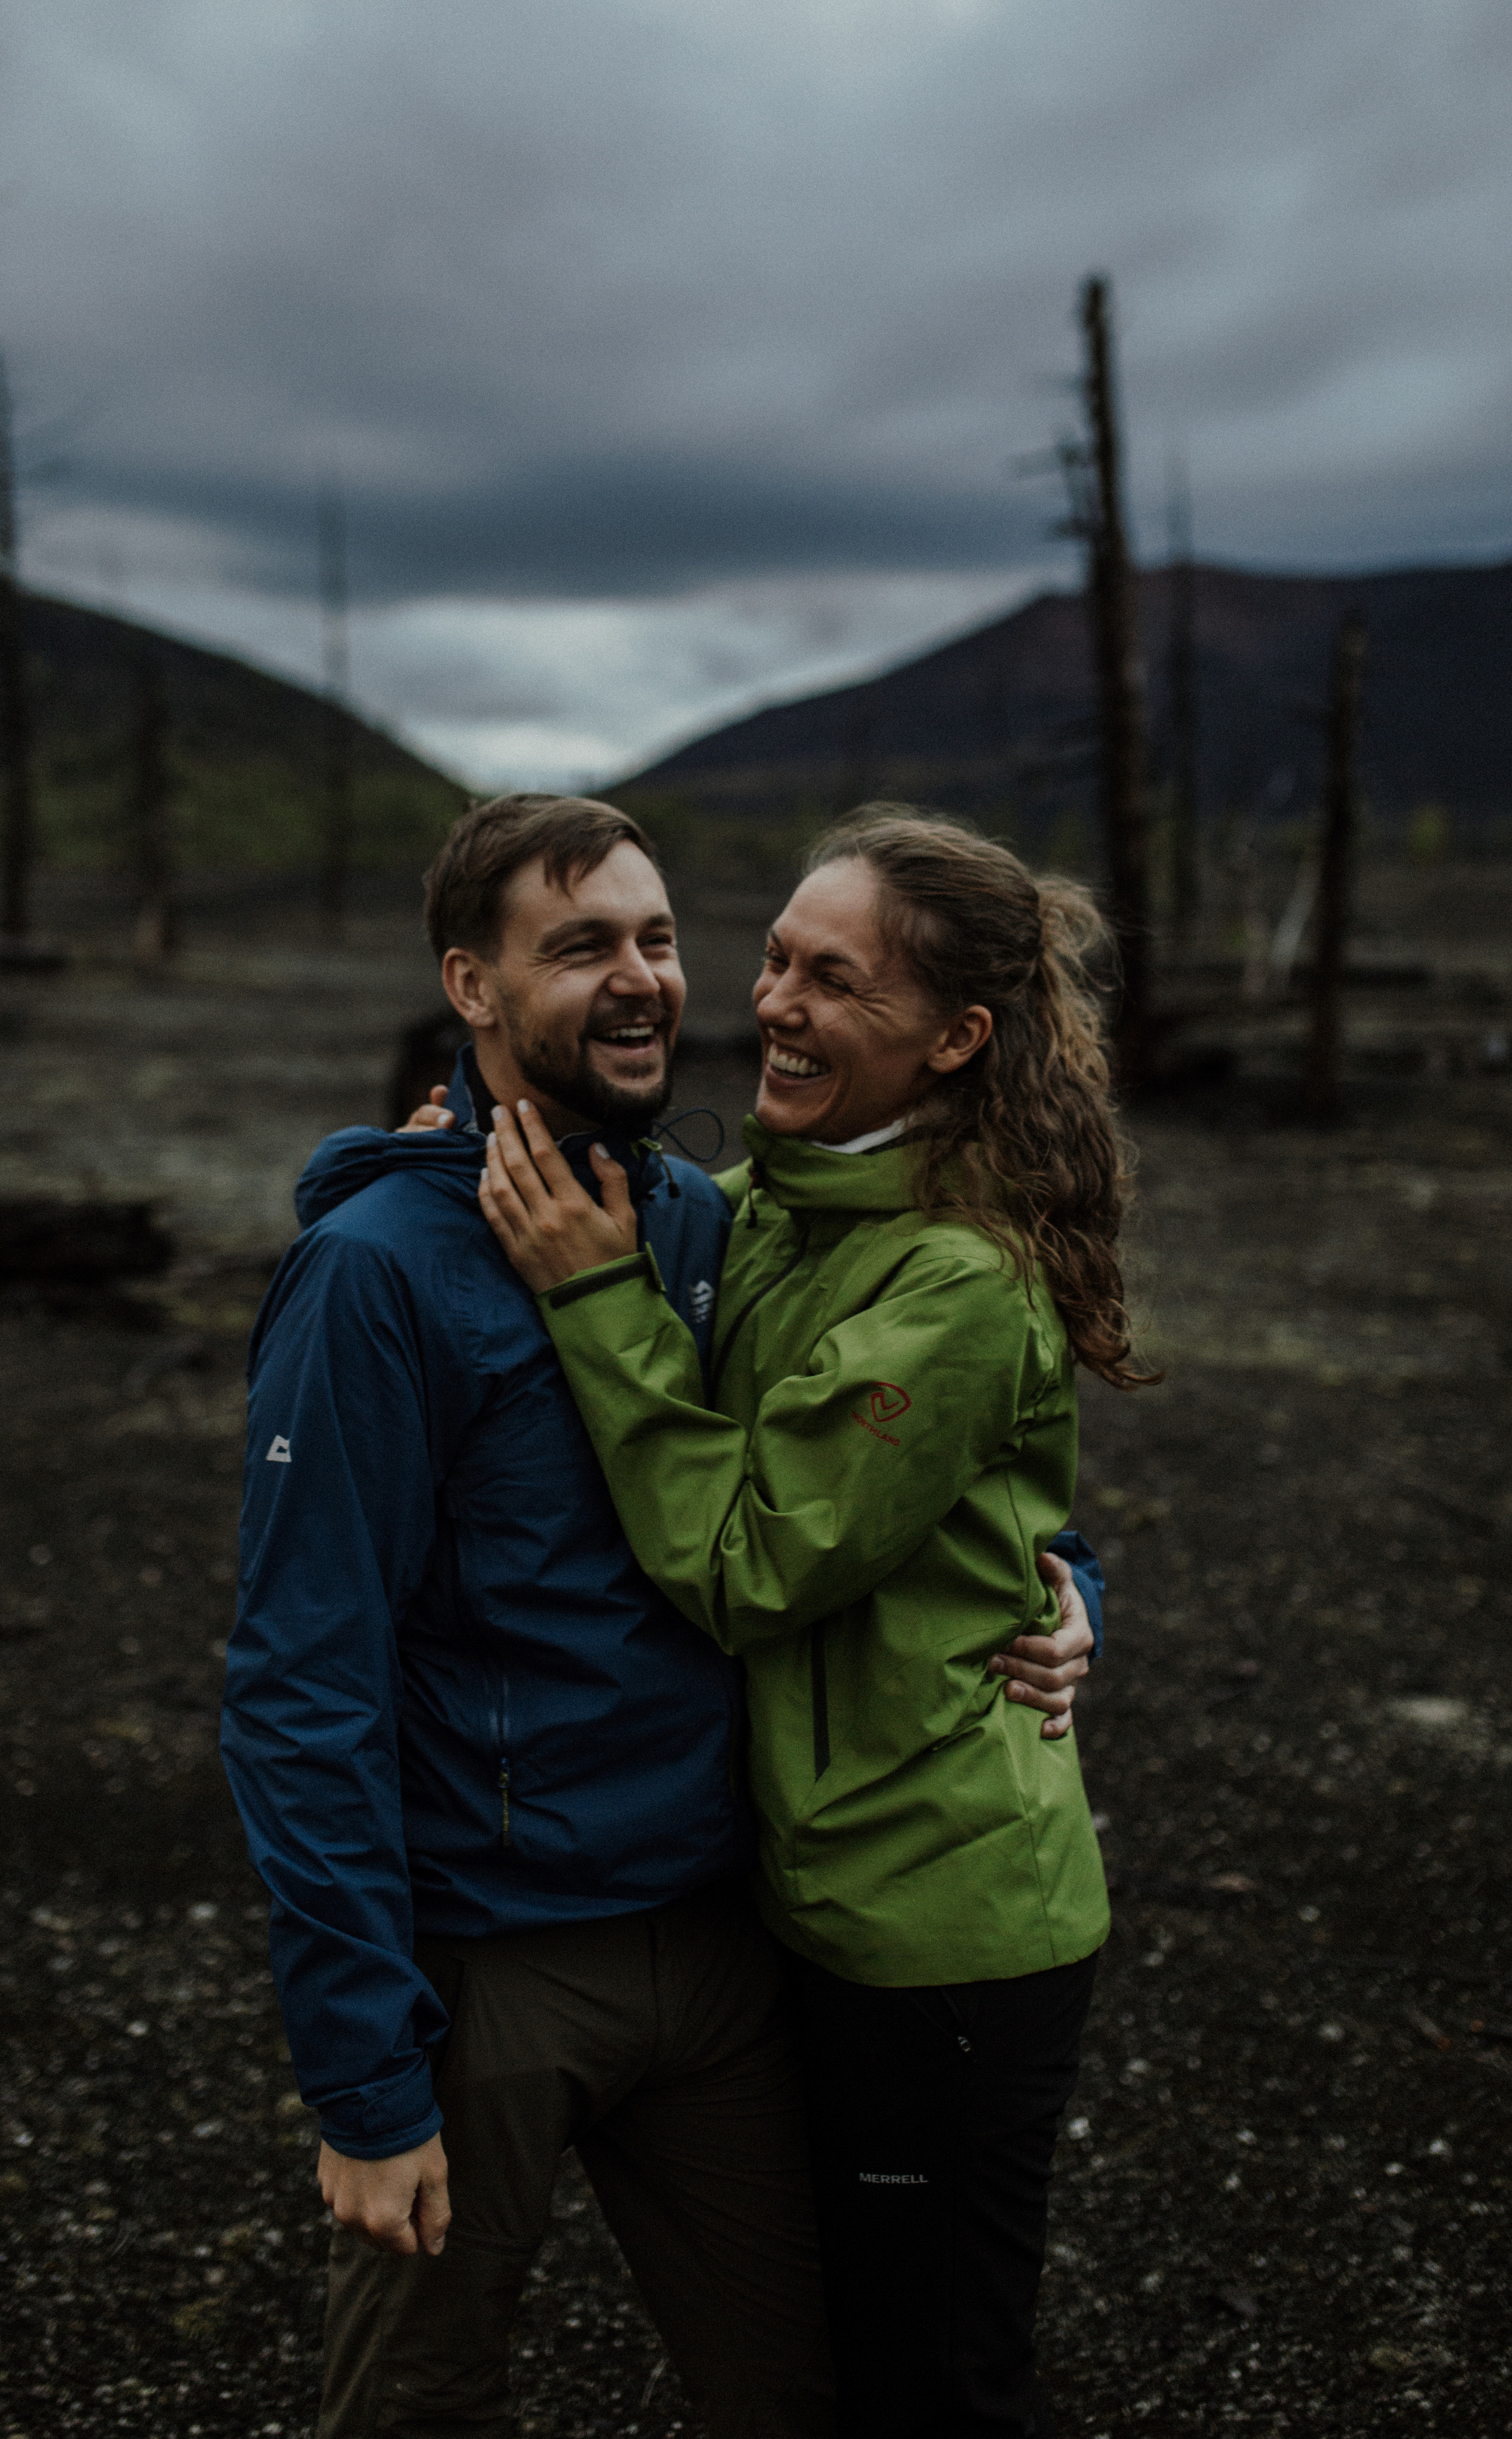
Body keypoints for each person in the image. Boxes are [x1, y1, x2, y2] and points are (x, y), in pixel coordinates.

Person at [223, 795, 1100, 2439]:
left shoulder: (702, 1223)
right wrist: (359, 2071)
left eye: (657, 938)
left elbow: (935, 1470)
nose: (644, 983)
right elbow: (298, 1685)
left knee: (819, 2387)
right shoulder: (375, 1277)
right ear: (472, 988)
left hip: (721, 1934)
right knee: (414, 2400)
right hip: (489, 1963)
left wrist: (1074, 1595)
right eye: (578, 949)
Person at [475, 807, 1153, 2439]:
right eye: (772, 958)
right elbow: (997, 1522)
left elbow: (745, 1561)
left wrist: (591, 1298)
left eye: (830, 981)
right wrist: (456, 1129)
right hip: (826, 1888)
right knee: (844, 2348)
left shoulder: (958, 1284)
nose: (770, 1004)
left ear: (952, 1039)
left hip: (943, 1932)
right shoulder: (777, 1200)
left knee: (934, 2378)